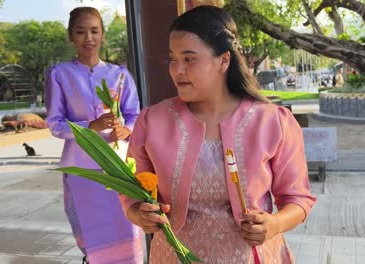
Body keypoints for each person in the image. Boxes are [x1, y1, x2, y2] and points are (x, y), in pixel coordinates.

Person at [120, 5, 317, 263]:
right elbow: (131, 192)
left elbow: (298, 199)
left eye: (189, 58)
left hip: (252, 256)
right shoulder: (152, 122)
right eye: (173, 59)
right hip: (173, 256)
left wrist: (274, 224)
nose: (177, 70)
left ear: (224, 60)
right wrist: (139, 213)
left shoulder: (272, 122)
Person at [44, 7, 143, 264]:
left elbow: (135, 114)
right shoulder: (59, 75)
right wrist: (91, 126)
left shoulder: (120, 75)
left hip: (119, 167)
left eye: (94, 31)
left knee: (127, 229)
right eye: (81, 31)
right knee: (92, 235)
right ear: (71, 36)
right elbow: (55, 123)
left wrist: (127, 129)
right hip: (81, 170)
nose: (88, 38)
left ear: (102, 35)